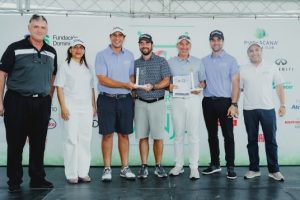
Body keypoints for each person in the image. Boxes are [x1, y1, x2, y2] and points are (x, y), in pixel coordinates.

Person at [0, 14, 57, 192]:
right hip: (17, 101)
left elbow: (53, 76)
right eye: (36, 27)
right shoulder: (15, 48)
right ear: (29, 28)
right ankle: (14, 181)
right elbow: (2, 74)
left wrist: (49, 98)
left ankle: (37, 179)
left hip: (41, 103)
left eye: (43, 27)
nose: (39, 30)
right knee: (15, 143)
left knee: (38, 143)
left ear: (46, 30)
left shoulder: (51, 51)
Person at [95, 26, 136, 182]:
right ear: (110, 37)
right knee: (107, 134)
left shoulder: (130, 55)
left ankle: (124, 168)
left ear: (123, 38)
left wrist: (131, 84)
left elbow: (132, 76)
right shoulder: (101, 55)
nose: (117, 38)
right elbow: (102, 79)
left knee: (124, 134)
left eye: (120, 35)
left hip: (125, 99)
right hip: (106, 99)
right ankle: (107, 169)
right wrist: (124, 85)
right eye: (114, 35)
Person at [240, 43, 285, 181]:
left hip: (268, 109)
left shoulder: (271, 66)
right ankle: (254, 169)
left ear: (261, 51)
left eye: (257, 50)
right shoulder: (243, 69)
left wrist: (283, 104)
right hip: (249, 109)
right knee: (251, 140)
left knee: (271, 140)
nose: (254, 53)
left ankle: (274, 170)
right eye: (251, 51)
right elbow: (239, 89)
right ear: (248, 54)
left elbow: (279, 86)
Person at [55, 39, 96, 184]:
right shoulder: (64, 66)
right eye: (75, 47)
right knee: (71, 139)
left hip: (86, 108)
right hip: (70, 107)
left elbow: (91, 88)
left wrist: (93, 105)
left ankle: (83, 172)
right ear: (71, 50)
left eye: (81, 47)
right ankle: (71, 173)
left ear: (84, 50)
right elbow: (59, 87)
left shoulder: (88, 67)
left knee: (85, 139)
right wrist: (63, 107)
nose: (78, 50)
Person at [201, 30, 239, 179]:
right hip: (208, 101)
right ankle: (215, 164)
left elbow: (236, 83)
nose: (215, 42)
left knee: (228, 135)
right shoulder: (204, 60)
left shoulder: (231, 60)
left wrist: (234, 104)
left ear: (223, 41)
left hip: (225, 102)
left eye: (218, 40)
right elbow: (202, 82)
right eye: (213, 40)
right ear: (210, 42)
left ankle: (230, 166)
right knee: (212, 135)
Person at [168, 35, 206, 180]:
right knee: (178, 134)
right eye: (181, 44)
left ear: (190, 46)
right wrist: (169, 86)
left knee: (193, 134)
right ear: (177, 46)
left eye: (187, 44)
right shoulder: (170, 62)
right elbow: (167, 82)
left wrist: (199, 87)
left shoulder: (198, 62)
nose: (184, 47)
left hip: (193, 99)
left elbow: (203, 82)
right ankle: (178, 165)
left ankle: (194, 167)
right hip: (177, 99)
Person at [134, 33, 171, 179]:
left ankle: (158, 166)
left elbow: (167, 80)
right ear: (139, 45)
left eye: (147, 43)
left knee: (158, 137)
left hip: (157, 102)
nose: (144, 45)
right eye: (142, 43)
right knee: (142, 136)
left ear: (152, 45)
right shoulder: (136, 63)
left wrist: (154, 86)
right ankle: (144, 166)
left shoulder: (161, 61)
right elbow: (132, 81)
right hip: (140, 103)